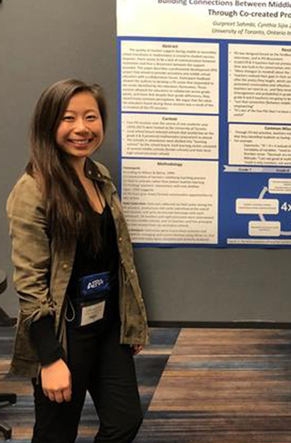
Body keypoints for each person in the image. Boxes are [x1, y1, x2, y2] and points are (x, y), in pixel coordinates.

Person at [6, 79, 149, 443]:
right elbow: (30, 285)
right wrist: (51, 360)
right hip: (62, 334)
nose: (82, 128)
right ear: (48, 124)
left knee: (125, 420)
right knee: (56, 433)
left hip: (107, 325)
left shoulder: (98, 177)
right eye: (68, 118)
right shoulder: (33, 189)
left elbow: (119, 260)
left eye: (91, 116)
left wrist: (131, 321)